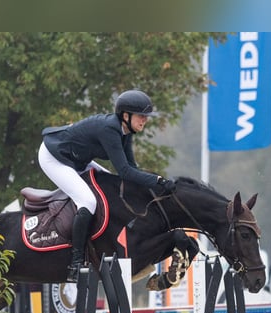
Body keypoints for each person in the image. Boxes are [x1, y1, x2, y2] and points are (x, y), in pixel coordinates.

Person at [38, 89, 176, 282]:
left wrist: (153, 188)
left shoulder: (126, 131)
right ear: (126, 115)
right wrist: (158, 181)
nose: (145, 120)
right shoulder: (110, 129)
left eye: (146, 117)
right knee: (88, 201)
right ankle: (76, 263)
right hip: (54, 157)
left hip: (77, 159)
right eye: (141, 116)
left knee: (111, 183)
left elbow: (129, 170)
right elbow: (125, 172)